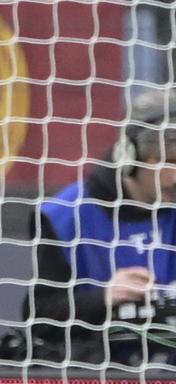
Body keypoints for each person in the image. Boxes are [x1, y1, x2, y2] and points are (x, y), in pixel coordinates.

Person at [27, 88, 176, 365]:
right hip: (96, 374)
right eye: (168, 162)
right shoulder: (65, 214)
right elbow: (40, 316)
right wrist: (105, 297)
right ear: (129, 155)